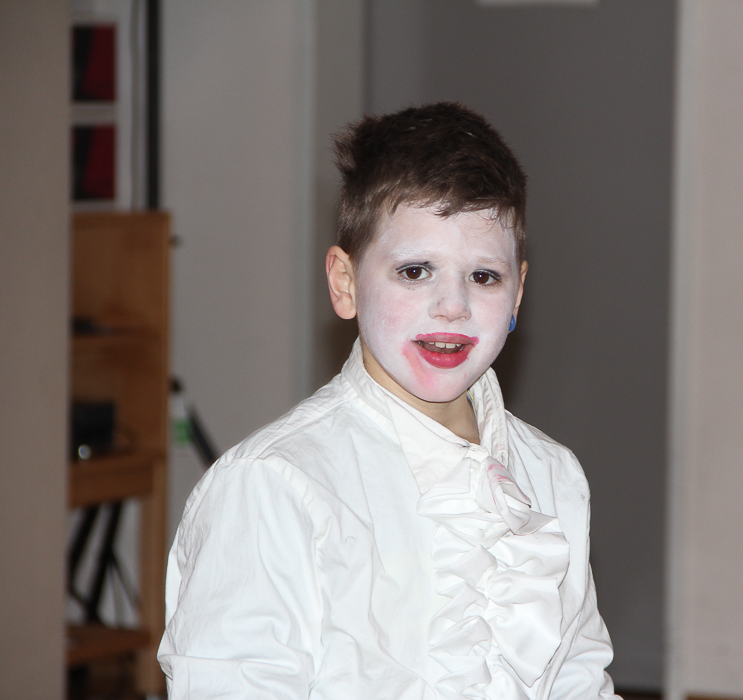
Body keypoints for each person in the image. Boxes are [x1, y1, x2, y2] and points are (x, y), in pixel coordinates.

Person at [158, 102, 618, 700]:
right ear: (345, 283)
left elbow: (580, 678)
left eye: (483, 277)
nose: (452, 306)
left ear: (518, 293)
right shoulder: (273, 486)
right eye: (415, 271)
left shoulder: (552, 474)